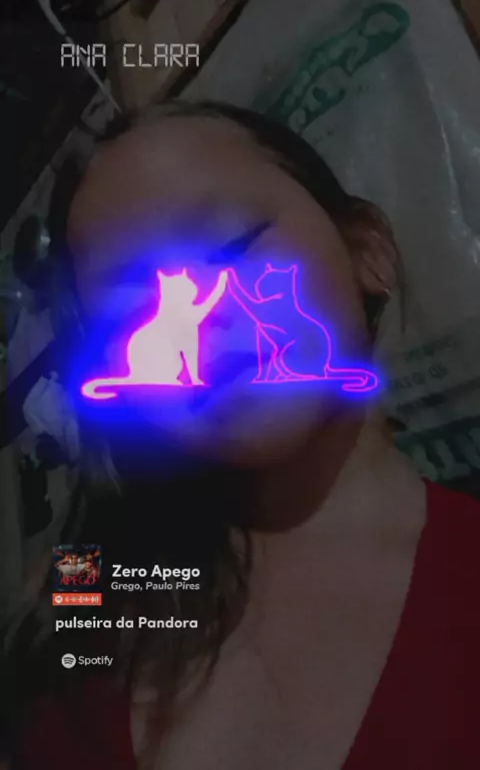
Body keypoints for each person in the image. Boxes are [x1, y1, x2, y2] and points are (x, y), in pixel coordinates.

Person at [2, 101, 479, 770]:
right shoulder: (86, 598)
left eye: (229, 246)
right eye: (131, 308)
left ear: (365, 250)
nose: (190, 318)